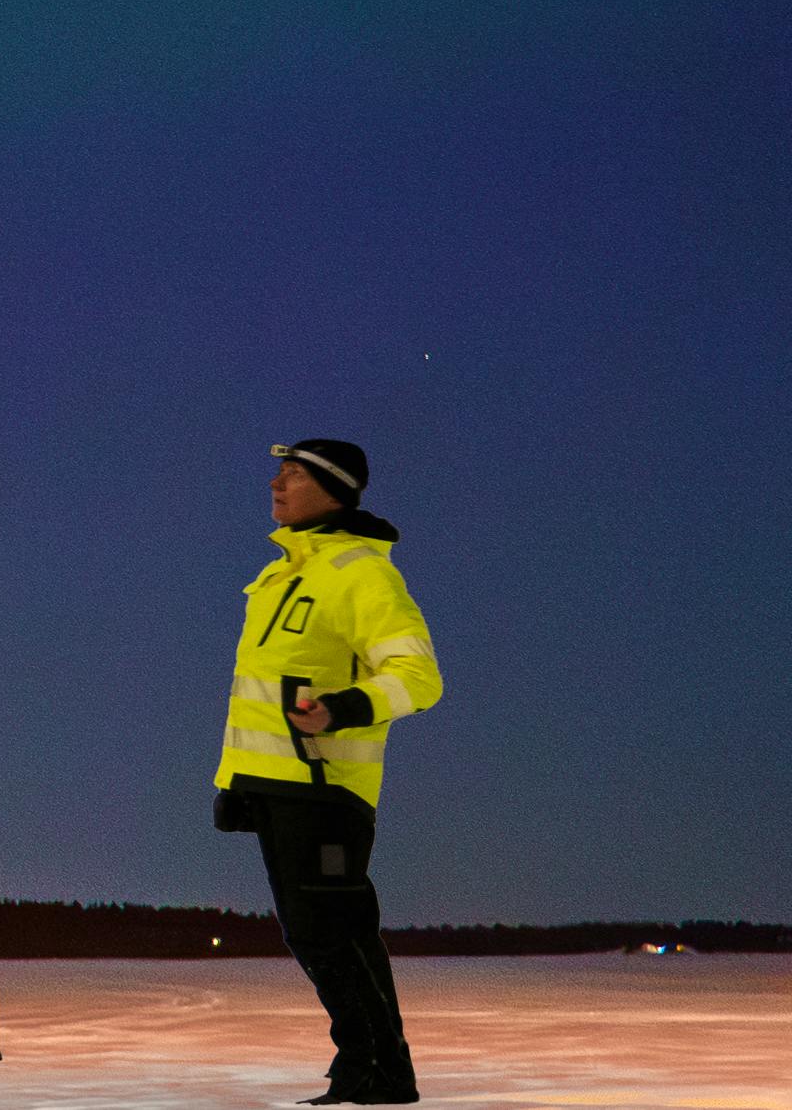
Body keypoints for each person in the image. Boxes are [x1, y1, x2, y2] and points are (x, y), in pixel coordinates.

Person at [217, 436, 442, 1106]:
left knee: (334, 930)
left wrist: (344, 707)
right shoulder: (281, 575)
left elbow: (417, 676)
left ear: (332, 487)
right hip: (276, 788)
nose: (274, 484)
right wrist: (236, 780)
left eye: (291, 474)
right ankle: (358, 1063)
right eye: (276, 472)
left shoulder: (359, 572)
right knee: (308, 931)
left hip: (324, 790)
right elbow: (262, 689)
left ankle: (384, 1069)